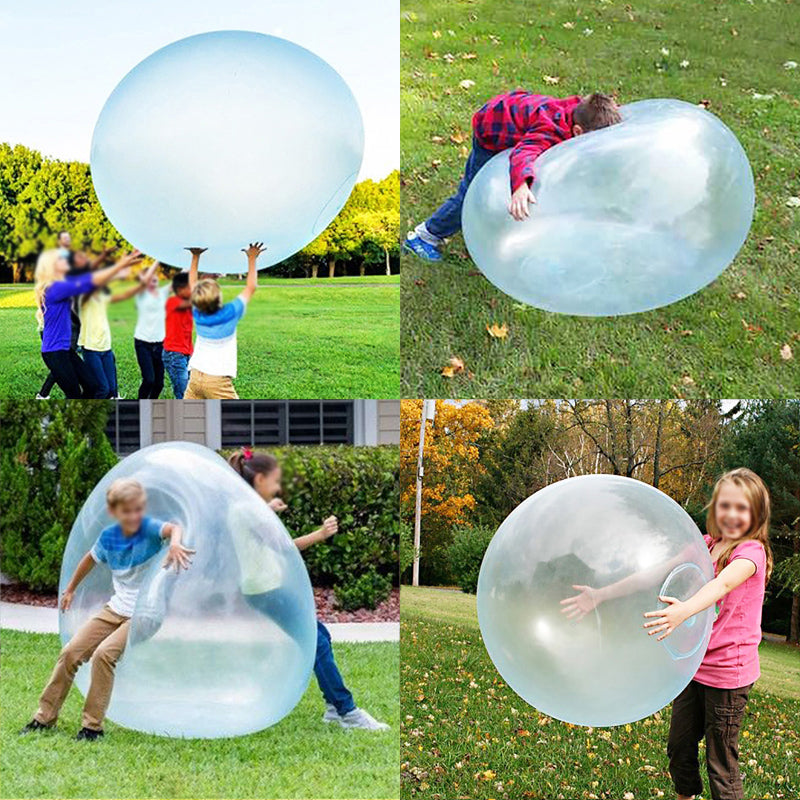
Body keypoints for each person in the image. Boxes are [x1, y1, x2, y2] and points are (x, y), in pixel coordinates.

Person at [228, 448, 390, 731]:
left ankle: (333, 706)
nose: (278, 487)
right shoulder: (245, 509)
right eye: (275, 481)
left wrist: (268, 509)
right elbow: (283, 547)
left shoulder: (244, 506)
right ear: (261, 479)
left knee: (320, 636)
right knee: (316, 642)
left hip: (265, 588)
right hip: (266, 590)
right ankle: (346, 710)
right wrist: (321, 534)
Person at [20, 478, 193, 740]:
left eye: (138, 509)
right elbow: (89, 560)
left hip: (146, 614)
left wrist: (177, 543)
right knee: (70, 653)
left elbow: (174, 528)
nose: (134, 516)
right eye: (127, 511)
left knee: (103, 655)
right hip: (115, 610)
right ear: (114, 512)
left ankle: (92, 727)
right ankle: (44, 718)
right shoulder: (108, 538)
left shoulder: (149, 529)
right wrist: (70, 589)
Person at [642, 468, 771, 800]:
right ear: (715, 507)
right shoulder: (706, 543)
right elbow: (656, 570)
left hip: (729, 674)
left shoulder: (751, 552)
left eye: (742, 508)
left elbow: (723, 583)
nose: (731, 514)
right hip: (694, 667)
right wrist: (600, 594)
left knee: (721, 763)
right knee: (679, 748)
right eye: (725, 505)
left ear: (757, 513)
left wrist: (683, 610)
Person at [403, 92, 622, 261]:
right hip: (492, 131)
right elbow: (523, 153)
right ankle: (424, 236)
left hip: (513, 113)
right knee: (470, 195)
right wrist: (520, 186)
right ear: (577, 132)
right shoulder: (549, 130)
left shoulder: (582, 112)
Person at [34, 249, 141, 399]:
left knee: (93, 386)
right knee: (74, 394)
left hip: (65, 350)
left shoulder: (62, 284)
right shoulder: (54, 288)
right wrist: (119, 265)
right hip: (54, 352)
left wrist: (118, 269)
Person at [183, 243, 263, 400]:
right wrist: (252, 258)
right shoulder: (230, 312)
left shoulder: (197, 312)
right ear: (219, 298)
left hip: (194, 375)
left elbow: (192, 285)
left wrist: (195, 256)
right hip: (217, 381)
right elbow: (251, 287)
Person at [78, 258, 154, 398]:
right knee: (103, 389)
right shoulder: (85, 298)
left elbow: (125, 294)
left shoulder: (103, 296)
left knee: (112, 390)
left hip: (106, 349)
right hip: (91, 349)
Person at [133, 262, 170, 399]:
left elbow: (180, 279)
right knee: (149, 380)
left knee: (159, 384)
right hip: (143, 343)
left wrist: (193, 257)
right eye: (150, 280)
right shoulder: (141, 295)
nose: (153, 282)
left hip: (160, 344)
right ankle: (139, 407)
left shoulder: (162, 293)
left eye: (155, 280)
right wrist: (158, 259)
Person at [162, 272, 194, 399]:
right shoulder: (172, 302)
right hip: (174, 354)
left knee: (191, 391)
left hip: (187, 353)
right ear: (180, 289)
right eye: (190, 287)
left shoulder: (188, 304)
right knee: (183, 393)